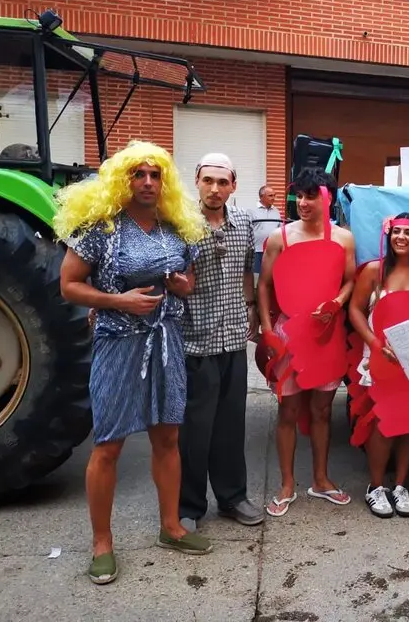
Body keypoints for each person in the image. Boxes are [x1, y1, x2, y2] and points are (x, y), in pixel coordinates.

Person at [56, 141, 212, 585]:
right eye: (138, 174)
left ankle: (171, 527)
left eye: (155, 175)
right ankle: (102, 543)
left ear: (165, 182)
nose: (147, 182)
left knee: (168, 438)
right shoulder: (101, 228)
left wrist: (182, 285)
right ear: (121, 181)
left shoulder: (174, 228)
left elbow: (188, 278)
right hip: (117, 344)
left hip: (166, 342)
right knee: (108, 445)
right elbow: (68, 285)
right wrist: (117, 301)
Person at [257, 167, 356, 517]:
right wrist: (267, 329)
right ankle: (287, 484)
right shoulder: (280, 237)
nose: (302, 202)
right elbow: (264, 285)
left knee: (322, 410)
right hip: (288, 333)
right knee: (288, 410)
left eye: (311, 195)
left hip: (326, 335)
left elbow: (350, 280)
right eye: (299, 195)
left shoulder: (343, 239)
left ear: (327, 198)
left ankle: (321, 479)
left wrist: (337, 303)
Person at [178, 153, 264, 532]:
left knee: (231, 425)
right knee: (194, 430)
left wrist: (251, 307)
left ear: (233, 186)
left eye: (222, 182)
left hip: (233, 340)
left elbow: (246, 269)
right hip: (196, 340)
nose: (215, 189)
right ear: (197, 181)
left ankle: (232, 497)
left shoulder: (243, 221)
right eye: (208, 181)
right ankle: (189, 505)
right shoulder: (181, 222)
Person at [347, 213, 409, 518]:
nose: (401, 237)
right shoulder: (374, 271)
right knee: (382, 421)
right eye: (396, 232)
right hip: (380, 357)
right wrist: (375, 343)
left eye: (408, 233)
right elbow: (355, 310)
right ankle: (376, 487)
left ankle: (401, 485)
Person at [250, 185, 282, 274]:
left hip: (272, 251)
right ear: (261, 197)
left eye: (274, 195)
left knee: (270, 275)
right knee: (256, 276)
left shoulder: (276, 211)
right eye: (270, 196)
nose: (273, 198)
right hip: (257, 251)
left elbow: (280, 228)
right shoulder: (251, 210)